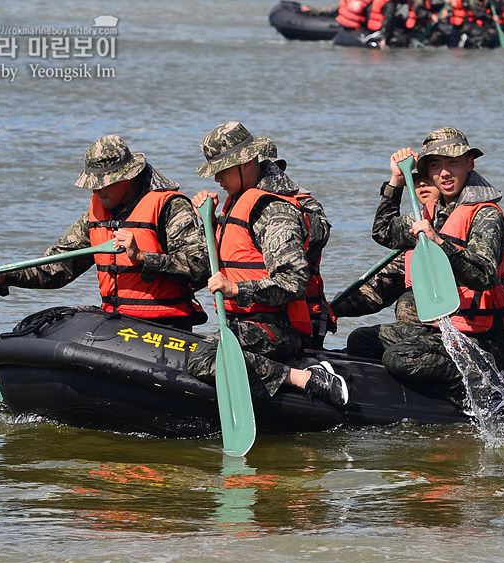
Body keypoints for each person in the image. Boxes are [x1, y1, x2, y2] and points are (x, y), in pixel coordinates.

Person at [346, 127, 504, 408]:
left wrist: (441, 243)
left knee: (398, 357)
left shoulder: (486, 214)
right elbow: (384, 232)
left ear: (469, 164)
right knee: (361, 340)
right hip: (443, 329)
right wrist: (396, 182)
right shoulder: (433, 211)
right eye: (435, 165)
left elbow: (484, 274)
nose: (444, 173)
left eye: (452, 163)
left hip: (482, 338)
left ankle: (477, 394)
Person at [0, 135, 208, 331]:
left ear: (128, 176)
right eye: (93, 183)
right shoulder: (95, 214)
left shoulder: (171, 207)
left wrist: (142, 257)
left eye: (103, 182)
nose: (96, 189)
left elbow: (200, 267)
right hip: (117, 322)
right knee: (43, 326)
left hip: (165, 325)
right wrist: (6, 275)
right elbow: (57, 267)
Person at [187, 121, 348, 408]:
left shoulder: (273, 211)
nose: (216, 180)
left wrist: (235, 288)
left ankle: (307, 378)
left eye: (222, 170)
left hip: (283, 324)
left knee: (205, 359)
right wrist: (210, 224)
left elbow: (294, 282)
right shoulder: (238, 201)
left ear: (247, 163)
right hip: (254, 320)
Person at [331, 165, 440, 322]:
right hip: (420, 330)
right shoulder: (416, 226)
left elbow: (383, 231)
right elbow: (378, 288)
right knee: (357, 337)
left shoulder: (455, 219)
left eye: (428, 179)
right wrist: (328, 309)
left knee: (406, 303)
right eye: (416, 180)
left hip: (450, 324)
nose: (422, 184)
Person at [258, 137, 337, 349]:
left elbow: (316, 239)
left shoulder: (303, 204)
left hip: (302, 314)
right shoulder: (247, 205)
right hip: (262, 312)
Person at [334, 0, 402, 48]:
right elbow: (388, 20)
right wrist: (384, 38)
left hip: (365, 27)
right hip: (377, 30)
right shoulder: (390, 3)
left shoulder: (373, 2)